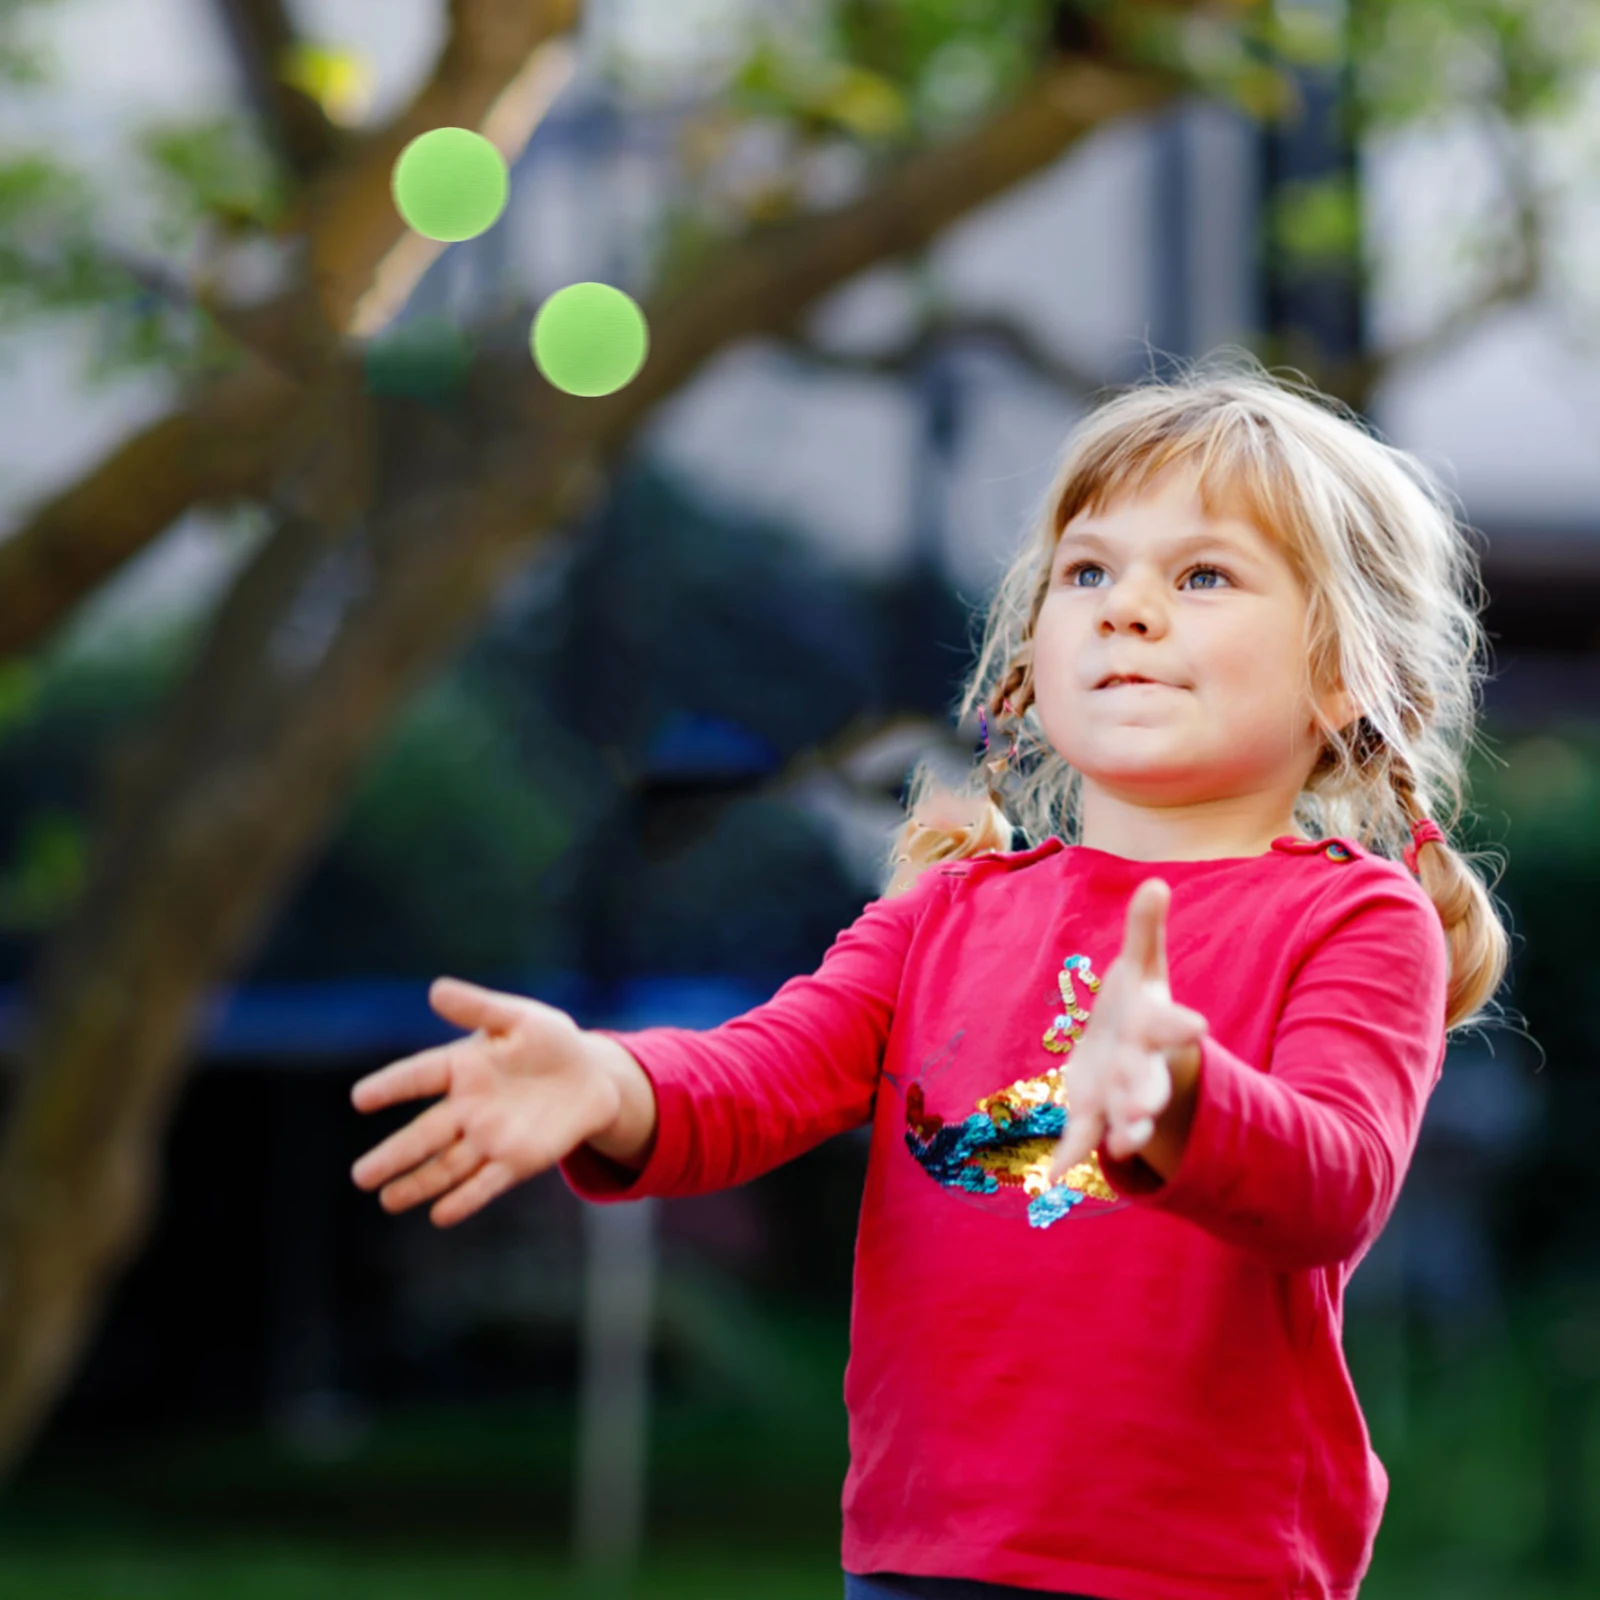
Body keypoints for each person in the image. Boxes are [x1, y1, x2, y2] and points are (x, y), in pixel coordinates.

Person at [350, 359, 1512, 1600]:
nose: (1126, 608)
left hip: (1198, 1569)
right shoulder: (943, 911)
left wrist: (1183, 1099)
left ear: (1344, 673)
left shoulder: (1357, 919)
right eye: (1087, 571)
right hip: (919, 1556)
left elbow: (1335, 1183)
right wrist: (609, 1081)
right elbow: (759, 1074)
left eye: (1203, 576)